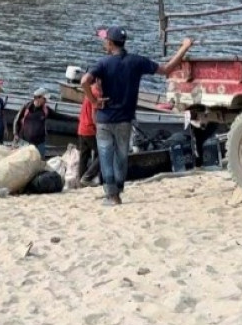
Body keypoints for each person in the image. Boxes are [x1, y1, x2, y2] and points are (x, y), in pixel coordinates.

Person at [81, 27, 193, 205]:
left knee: (105, 156)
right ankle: (118, 191)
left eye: (105, 41)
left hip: (105, 118)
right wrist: (184, 46)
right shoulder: (136, 62)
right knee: (121, 156)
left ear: (110, 43)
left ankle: (111, 195)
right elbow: (166, 69)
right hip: (125, 119)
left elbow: (84, 81)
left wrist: (94, 101)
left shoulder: (102, 63)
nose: (104, 43)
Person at [13, 87, 58, 157]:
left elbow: (59, 116)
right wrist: (15, 133)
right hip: (25, 142)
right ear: (38, 98)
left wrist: (76, 119)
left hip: (40, 143)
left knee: (39, 161)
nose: (46, 101)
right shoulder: (26, 107)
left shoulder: (46, 110)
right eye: (44, 99)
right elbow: (17, 120)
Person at [77, 77, 102, 185]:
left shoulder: (90, 89)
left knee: (84, 155)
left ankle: (81, 179)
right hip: (90, 129)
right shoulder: (96, 93)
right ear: (98, 81)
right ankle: (89, 177)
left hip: (82, 127)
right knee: (102, 153)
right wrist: (99, 128)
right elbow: (94, 114)